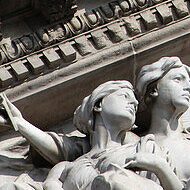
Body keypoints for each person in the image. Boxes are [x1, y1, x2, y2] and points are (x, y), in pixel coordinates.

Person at [40, 81, 181, 190]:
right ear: (98, 105)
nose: (134, 103)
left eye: (136, 105)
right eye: (125, 97)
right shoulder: (65, 167)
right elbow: (49, 185)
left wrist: (160, 166)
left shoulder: (145, 147)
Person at [134, 58, 190, 182]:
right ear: (153, 90)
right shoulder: (136, 147)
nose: (189, 87)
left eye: (189, 82)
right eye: (178, 79)